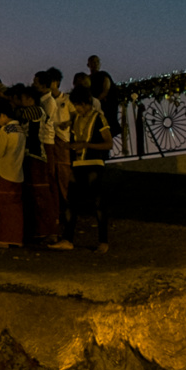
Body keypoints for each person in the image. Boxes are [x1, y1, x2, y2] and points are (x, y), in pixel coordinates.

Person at [23, 80, 71, 249]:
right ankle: (45, 230)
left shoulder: (34, 112)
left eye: (24, 99)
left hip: (39, 155)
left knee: (42, 193)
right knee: (42, 193)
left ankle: (49, 231)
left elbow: (31, 133)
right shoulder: (40, 111)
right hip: (40, 154)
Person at [68, 83, 113, 251]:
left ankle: (103, 241)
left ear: (85, 104)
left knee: (98, 203)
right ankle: (67, 239)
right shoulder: (77, 119)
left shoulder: (99, 118)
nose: (77, 109)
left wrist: (87, 144)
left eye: (78, 106)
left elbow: (108, 144)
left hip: (94, 165)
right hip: (78, 164)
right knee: (71, 202)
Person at [39, 67, 74, 241]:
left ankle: (66, 209)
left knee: (63, 175)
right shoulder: (45, 101)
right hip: (52, 140)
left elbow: (74, 115)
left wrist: (67, 124)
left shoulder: (65, 99)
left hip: (63, 140)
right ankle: (58, 212)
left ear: (57, 82)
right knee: (52, 175)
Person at [0, 94, 26, 247]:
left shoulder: (5, 130)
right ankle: (17, 239)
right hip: (18, 172)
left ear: (3, 115)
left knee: (4, 209)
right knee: (16, 209)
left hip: (6, 173)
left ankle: (3, 240)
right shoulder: (20, 129)